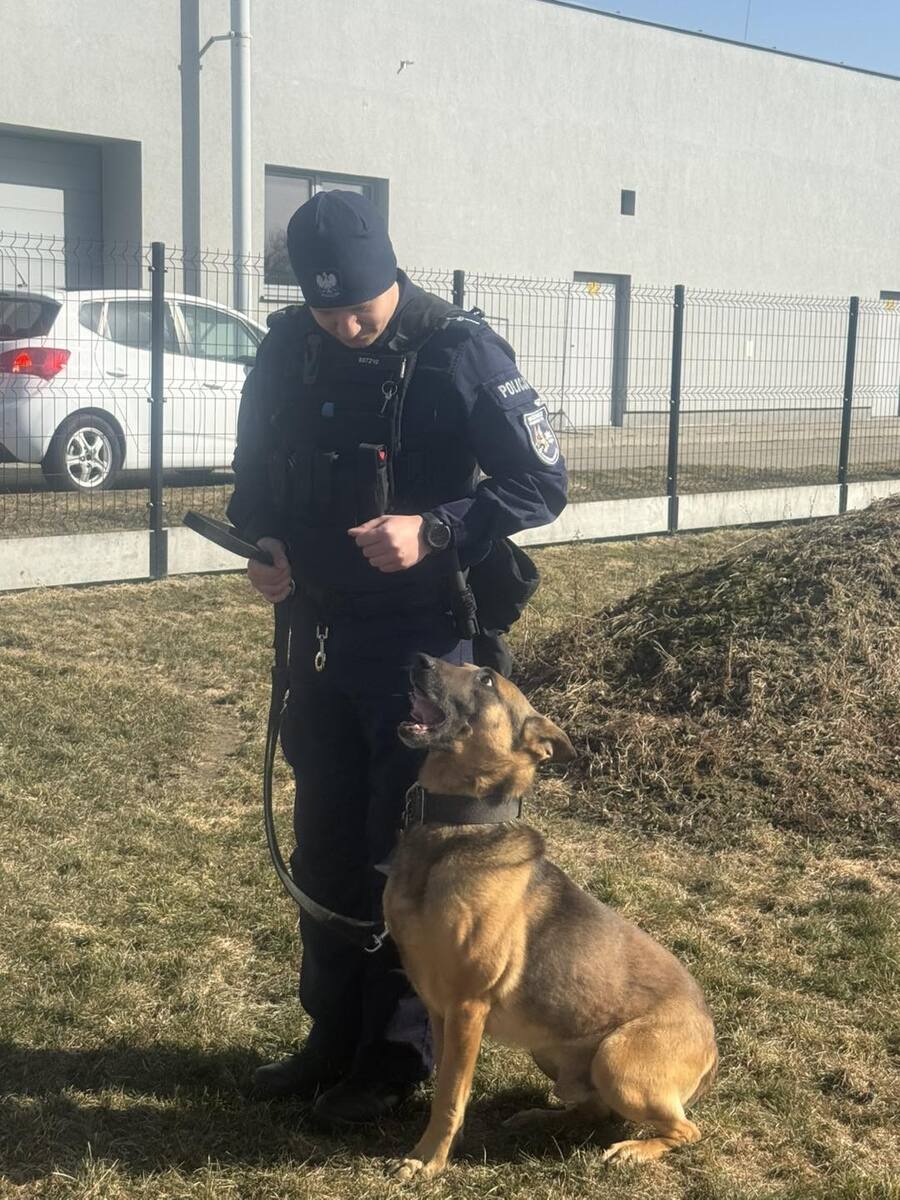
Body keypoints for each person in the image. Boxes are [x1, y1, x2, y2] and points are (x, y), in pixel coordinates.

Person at [227, 190, 567, 1126]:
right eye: (326, 309)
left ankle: (393, 1059)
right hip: (317, 635)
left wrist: (438, 527)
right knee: (326, 843)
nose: (345, 325)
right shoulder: (287, 348)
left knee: (407, 853)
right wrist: (262, 543)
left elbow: (541, 482)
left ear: (392, 275)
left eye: (360, 308)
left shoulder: (459, 350)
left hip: (422, 650)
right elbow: (254, 472)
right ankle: (330, 1037)